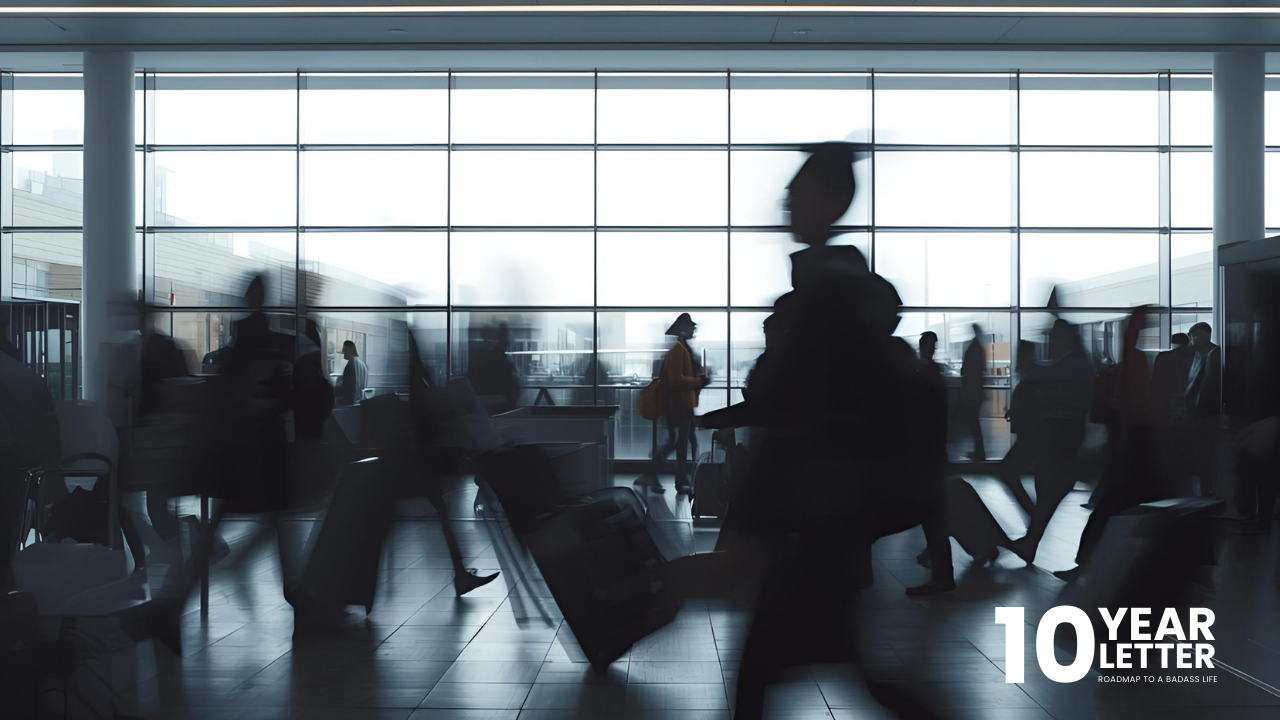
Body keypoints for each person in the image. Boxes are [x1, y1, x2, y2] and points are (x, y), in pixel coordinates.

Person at [1055, 307, 1158, 582]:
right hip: (1135, 448)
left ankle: (1087, 564)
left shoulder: (1129, 364)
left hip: (1129, 448)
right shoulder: (1137, 364)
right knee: (1126, 511)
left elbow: (1128, 409)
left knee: (1110, 512)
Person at [1006, 320, 1094, 566]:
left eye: (1054, 338)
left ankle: (1031, 540)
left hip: (1060, 439)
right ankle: (1031, 541)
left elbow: (1045, 380)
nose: (1050, 343)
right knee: (1047, 493)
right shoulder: (1073, 361)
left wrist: (1026, 361)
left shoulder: (1071, 364)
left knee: (1047, 491)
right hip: (1059, 438)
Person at [907, 330, 956, 596]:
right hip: (933, 454)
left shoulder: (922, 378)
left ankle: (941, 573)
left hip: (925, 457)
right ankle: (941, 571)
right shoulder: (934, 376)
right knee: (934, 514)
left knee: (932, 514)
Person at [642, 313, 709, 495]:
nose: (694, 330)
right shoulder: (679, 350)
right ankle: (678, 481)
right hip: (679, 405)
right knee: (680, 444)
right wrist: (698, 381)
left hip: (682, 404)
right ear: (682, 330)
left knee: (678, 442)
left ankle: (654, 475)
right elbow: (675, 380)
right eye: (691, 327)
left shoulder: (683, 349)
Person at [1183, 322, 1221, 497]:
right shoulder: (1198, 354)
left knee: (1205, 453)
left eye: (1195, 336)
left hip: (1203, 413)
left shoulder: (1212, 354)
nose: (1192, 339)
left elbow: (1207, 386)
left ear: (1206, 335)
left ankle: (1207, 490)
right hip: (1197, 413)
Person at [959, 323, 987, 462]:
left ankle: (979, 451)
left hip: (972, 390)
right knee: (974, 422)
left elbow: (969, 370)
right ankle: (979, 451)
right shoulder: (979, 347)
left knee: (973, 422)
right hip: (976, 389)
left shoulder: (974, 347)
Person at [337, 340, 369, 407]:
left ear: (348, 350)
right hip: (359, 400)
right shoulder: (362, 365)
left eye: (344, 350)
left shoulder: (351, 364)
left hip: (350, 401)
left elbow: (347, 385)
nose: (343, 352)